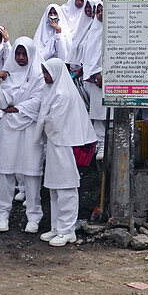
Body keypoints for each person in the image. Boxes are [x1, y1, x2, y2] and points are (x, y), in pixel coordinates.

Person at [0, 37, 46, 233]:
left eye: (24, 54)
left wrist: (16, 108)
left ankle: (33, 215)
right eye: (18, 54)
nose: (21, 58)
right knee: (6, 172)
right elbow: (2, 103)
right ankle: (2, 215)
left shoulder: (39, 76)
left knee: (31, 173)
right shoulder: (7, 75)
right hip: (9, 129)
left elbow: (39, 101)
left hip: (30, 128)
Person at [37, 57, 94, 247]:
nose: (45, 76)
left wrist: (42, 122)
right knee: (54, 187)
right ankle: (57, 227)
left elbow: (54, 122)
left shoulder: (63, 94)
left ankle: (67, 230)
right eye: (44, 72)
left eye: (47, 72)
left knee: (66, 188)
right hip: (56, 146)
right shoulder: (53, 91)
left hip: (64, 146)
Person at [79, 0, 109, 155]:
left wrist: (101, 72)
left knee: (106, 113)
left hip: (106, 78)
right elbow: (89, 55)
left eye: (104, 11)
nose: (100, 14)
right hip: (93, 78)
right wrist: (92, 72)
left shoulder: (111, 31)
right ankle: (99, 143)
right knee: (97, 113)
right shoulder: (94, 30)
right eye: (98, 11)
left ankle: (105, 144)